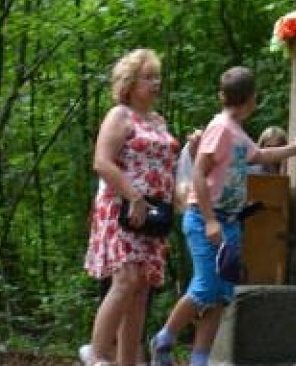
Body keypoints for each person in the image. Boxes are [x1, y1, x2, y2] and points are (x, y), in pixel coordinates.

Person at [149, 66, 296, 366]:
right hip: (205, 218)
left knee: (222, 295)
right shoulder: (220, 128)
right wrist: (210, 220)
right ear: (251, 99)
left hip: (230, 222)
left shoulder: (236, 131)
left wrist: (294, 149)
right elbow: (199, 173)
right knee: (206, 287)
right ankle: (164, 339)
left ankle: (200, 359)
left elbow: (260, 155)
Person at [82, 49, 179, 366]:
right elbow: (102, 162)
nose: (156, 83)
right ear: (130, 82)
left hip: (153, 214)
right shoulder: (119, 116)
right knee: (126, 280)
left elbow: (162, 166)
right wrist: (134, 196)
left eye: (157, 76)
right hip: (121, 207)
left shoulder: (159, 121)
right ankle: (96, 354)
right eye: (148, 77)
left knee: (140, 288)